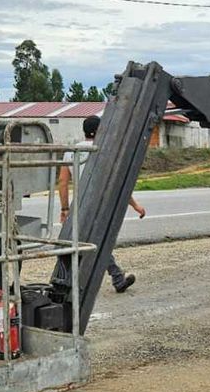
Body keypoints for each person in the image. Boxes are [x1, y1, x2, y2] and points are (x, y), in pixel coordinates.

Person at [58, 115, 146, 293]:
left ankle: (69, 281)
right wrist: (135, 205)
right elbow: (118, 182)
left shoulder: (71, 151)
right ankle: (115, 278)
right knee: (98, 242)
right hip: (100, 205)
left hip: (79, 206)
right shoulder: (105, 151)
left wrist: (65, 208)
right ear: (100, 130)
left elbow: (63, 182)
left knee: (78, 242)